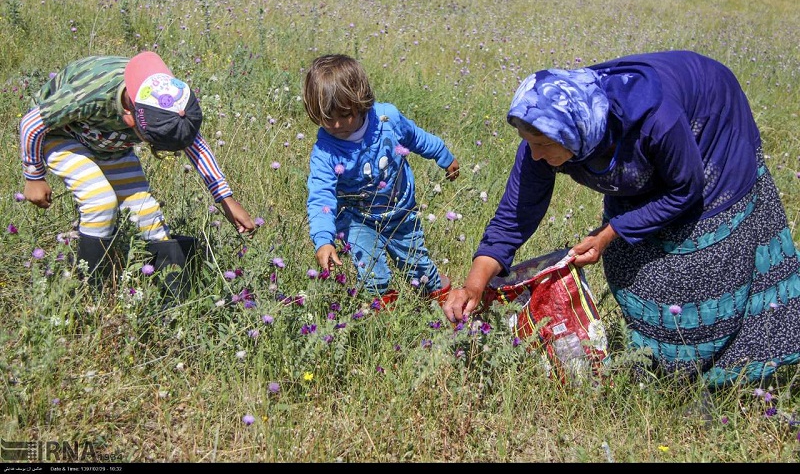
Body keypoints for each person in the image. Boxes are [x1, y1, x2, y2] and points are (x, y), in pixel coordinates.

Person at [442, 50, 800, 388]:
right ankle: (664, 366)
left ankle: (712, 380)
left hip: (711, 124)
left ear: (574, 134)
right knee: (632, 260)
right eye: (527, 142)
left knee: (703, 261)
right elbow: (513, 217)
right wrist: (475, 286)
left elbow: (685, 190)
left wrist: (610, 232)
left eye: (541, 145)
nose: (533, 154)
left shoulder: (656, 121)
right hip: (650, 142)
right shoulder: (549, 128)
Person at [20, 52, 256, 297]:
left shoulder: (167, 100)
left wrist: (225, 199)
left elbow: (196, 145)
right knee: (99, 201)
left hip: (111, 146)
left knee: (146, 212)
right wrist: (34, 176)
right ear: (129, 119)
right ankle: (90, 292)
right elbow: (31, 123)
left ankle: (175, 301)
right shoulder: (89, 95)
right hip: (62, 135)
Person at [303, 54, 460, 307]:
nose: (336, 124)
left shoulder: (387, 119)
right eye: (326, 118)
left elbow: (415, 137)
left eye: (344, 114)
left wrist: (442, 154)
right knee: (373, 278)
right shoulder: (325, 152)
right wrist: (323, 239)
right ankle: (383, 326)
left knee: (419, 269)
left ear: (360, 100)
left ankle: (440, 302)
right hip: (356, 218)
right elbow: (321, 196)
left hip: (400, 213)